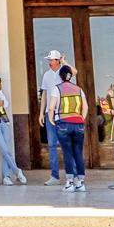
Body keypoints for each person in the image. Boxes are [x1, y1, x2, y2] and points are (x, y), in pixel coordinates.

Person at [46, 63, 87, 192]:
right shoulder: (79, 89)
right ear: (70, 76)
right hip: (78, 123)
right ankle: (80, 183)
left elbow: (51, 107)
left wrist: (51, 119)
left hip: (63, 123)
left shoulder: (57, 89)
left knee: (67, 152)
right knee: (78, 152)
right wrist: (82, 118)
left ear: (60, 76)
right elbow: (85, 107)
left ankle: (69, 183)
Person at [36, 49, 68, 184]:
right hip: (49, 114)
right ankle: (54, 176)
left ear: (58, 60)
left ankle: (71, 175)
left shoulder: (65, 73)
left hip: (63, 113)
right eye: (48, 60)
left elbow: (75, 73)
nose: (49, 62)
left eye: (52, 60)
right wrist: (41, 113)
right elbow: (44, 94)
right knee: (52, 145)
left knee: (66, 144)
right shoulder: (46, 75)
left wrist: (65, 63)